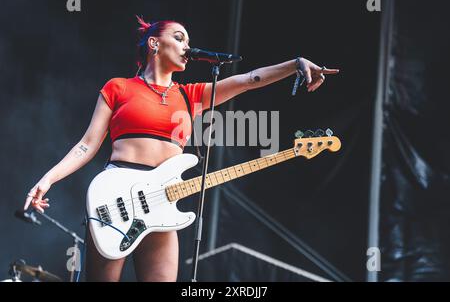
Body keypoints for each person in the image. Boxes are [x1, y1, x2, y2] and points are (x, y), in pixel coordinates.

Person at [23, 16, 339, 282]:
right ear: (154, 44)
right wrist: (47, 180)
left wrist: (295, 64)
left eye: (188, 40)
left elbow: (248, 80)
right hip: (115, 195)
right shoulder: (118, 88)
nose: (187, 46)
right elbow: (86, 145)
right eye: (179, 37)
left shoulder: (190, 96)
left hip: (163, 206)